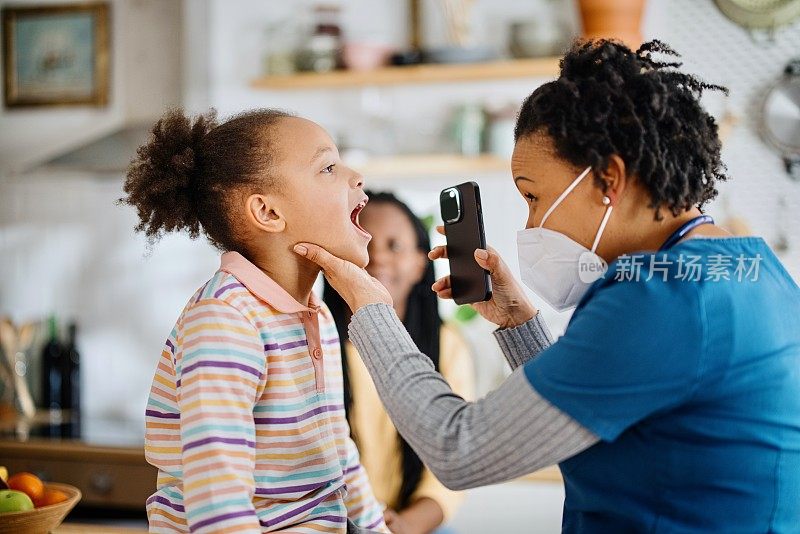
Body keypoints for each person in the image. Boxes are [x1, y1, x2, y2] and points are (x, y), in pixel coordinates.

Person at [293, 40, 800, 533]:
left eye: (533, 197)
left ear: (608, 180)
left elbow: (458, 450)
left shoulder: (658, 299)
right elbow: (586, 414)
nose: (532, 224)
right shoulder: (746, 267)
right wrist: (519, 325)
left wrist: (370, 310)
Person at [122, 109, 387, 532]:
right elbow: (219, 503)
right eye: (329, 167)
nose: (356, 176)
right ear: (267, 212)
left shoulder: (315, 313)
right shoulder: (226, 319)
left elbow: (339, 457)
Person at [323, 192, 474, 534]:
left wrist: (407, 524)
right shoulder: (315, 339)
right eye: (364, 243)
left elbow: (454, 460)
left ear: (421, 263)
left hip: (411, 517)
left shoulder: (447, 345)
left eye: (394, 246)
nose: (376, 257)